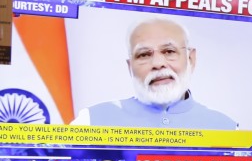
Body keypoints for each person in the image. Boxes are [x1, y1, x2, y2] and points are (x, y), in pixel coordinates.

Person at [71, 18, 238, 130]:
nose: (158, 64)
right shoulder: (91, 121)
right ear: (130, 67)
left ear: (191, 59)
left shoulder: (227, 128)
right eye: (144, 55)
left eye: (169, 51)